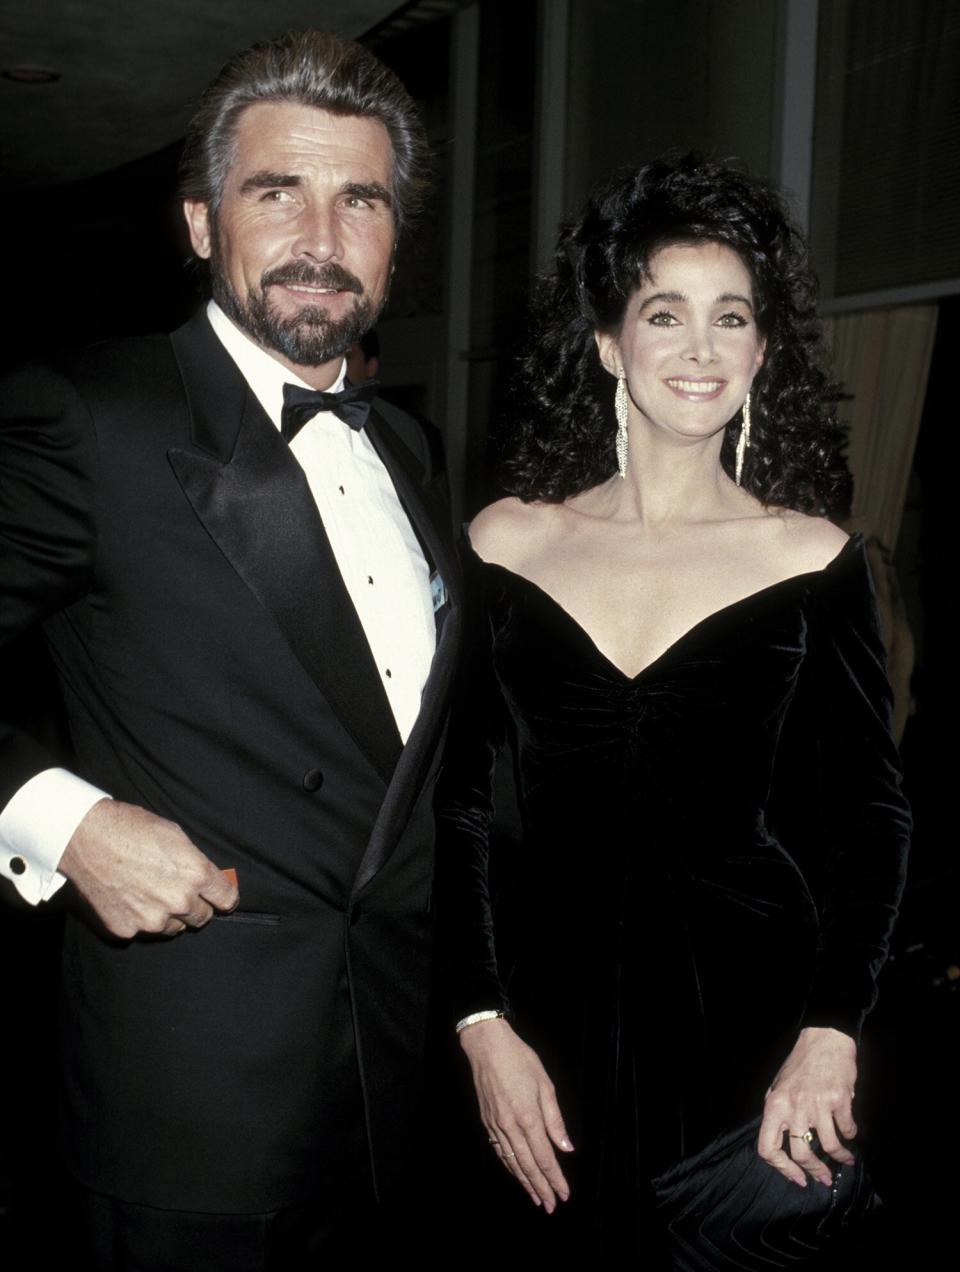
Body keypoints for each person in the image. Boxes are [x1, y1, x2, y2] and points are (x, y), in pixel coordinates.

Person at [0, 29, 460, 1270]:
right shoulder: (91, 415)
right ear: (203, 222)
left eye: (359, 198)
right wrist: (62, 819)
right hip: (193, 1111)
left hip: (386, 1097)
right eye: (277, 191)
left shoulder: (409, 455)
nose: (322, 233)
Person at [434, 155, 910, 1264]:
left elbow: (874, 822)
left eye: (730, 318)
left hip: (752, 1028)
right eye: (666, 313)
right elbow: (456, 809)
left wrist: (832, 1031)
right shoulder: (505, 542)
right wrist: (477, 1023)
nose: (700, 349)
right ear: (609, 342)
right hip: (536, 1024)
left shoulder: (814, 560)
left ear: (760, 349)